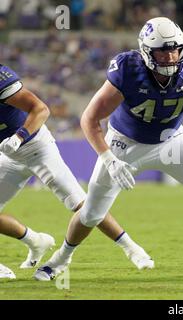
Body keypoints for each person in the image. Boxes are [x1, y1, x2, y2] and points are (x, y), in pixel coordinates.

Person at [34, 17, 183, 282]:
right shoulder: (128, 68)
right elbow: (89, 119)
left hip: (172, 139)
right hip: (125, 143)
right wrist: (108, 158)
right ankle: (61, 259)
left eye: (175, 48)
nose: (172, 55)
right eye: (163, 50)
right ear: (147, 52)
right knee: (92, 212)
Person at [0, 63, 152, 279]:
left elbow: (41, 109)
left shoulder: (2, 79)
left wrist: (19, 137)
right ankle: (36, 241)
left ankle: (131, 248)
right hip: (7, 156)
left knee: (83, 205)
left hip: (36, 148)